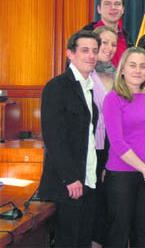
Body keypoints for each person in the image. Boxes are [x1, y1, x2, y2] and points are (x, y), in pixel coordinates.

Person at [39, 29, 100, 247]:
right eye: (84, 50)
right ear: (70, 54)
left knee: (83, 240)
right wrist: (70, 178)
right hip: (68, 184)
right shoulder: (57, 87)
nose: (90, 55)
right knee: (68, 242)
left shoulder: (88, 88)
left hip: (87, 180)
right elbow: (54, 138)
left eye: (94, 51)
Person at [103, 47, 145, 247]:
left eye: (142, 66)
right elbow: (118, 142)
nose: (138, 70)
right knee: (119, 231)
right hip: (122, 174)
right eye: (132, 65)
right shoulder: (113, 98)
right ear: (122, 69)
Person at [89, 26, 118, 247]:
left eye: (113, 44)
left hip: (115, 150)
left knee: (111, 208)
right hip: (92, 151)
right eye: (104, 43)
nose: (109, 48)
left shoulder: (118, 74)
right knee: (94, 206)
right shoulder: (86, 73)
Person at [83, 0, 131, 66]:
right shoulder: (86, 35)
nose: (113, 8)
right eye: (107, 4)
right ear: (99, 9)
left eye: (117, 4)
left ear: (123, 10)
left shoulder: (127, 39)